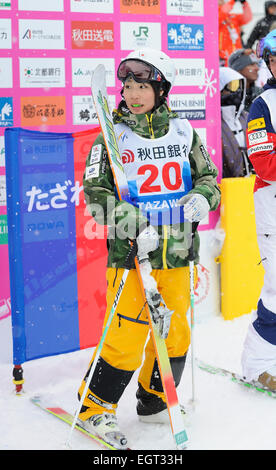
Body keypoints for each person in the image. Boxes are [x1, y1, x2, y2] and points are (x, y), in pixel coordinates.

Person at [77, 48, 220, 449]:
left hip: (176, 248)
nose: (133, 93)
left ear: (161, 89)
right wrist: (134, 224)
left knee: (175, 330)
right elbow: (96, 195)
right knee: (127, 333)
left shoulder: (183, 131)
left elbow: (209, 176)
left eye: (142, 85)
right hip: (131, 254)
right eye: (127, 85)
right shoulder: (112, 134)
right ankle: (94, 407)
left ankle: (155, 399)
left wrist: (203, 198)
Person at [241, 29, 276, 390]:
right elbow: (264, 163)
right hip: (273, 209)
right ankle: (257, 364)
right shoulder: (263, 105)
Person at [220, 66, 254, 177]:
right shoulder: (214, 123)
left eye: (239, 86)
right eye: (233, 86)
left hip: (253, 184)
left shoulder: (247, 117)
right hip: (228, 187)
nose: (238, 91)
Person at [218, 0, 253, 66]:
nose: (222, 2)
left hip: (236, 54)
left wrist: (244, 3)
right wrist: (233, 1)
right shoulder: (214, 17)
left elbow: (247, 18)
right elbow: (222, 12)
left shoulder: (232, 17)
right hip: (222, 56)